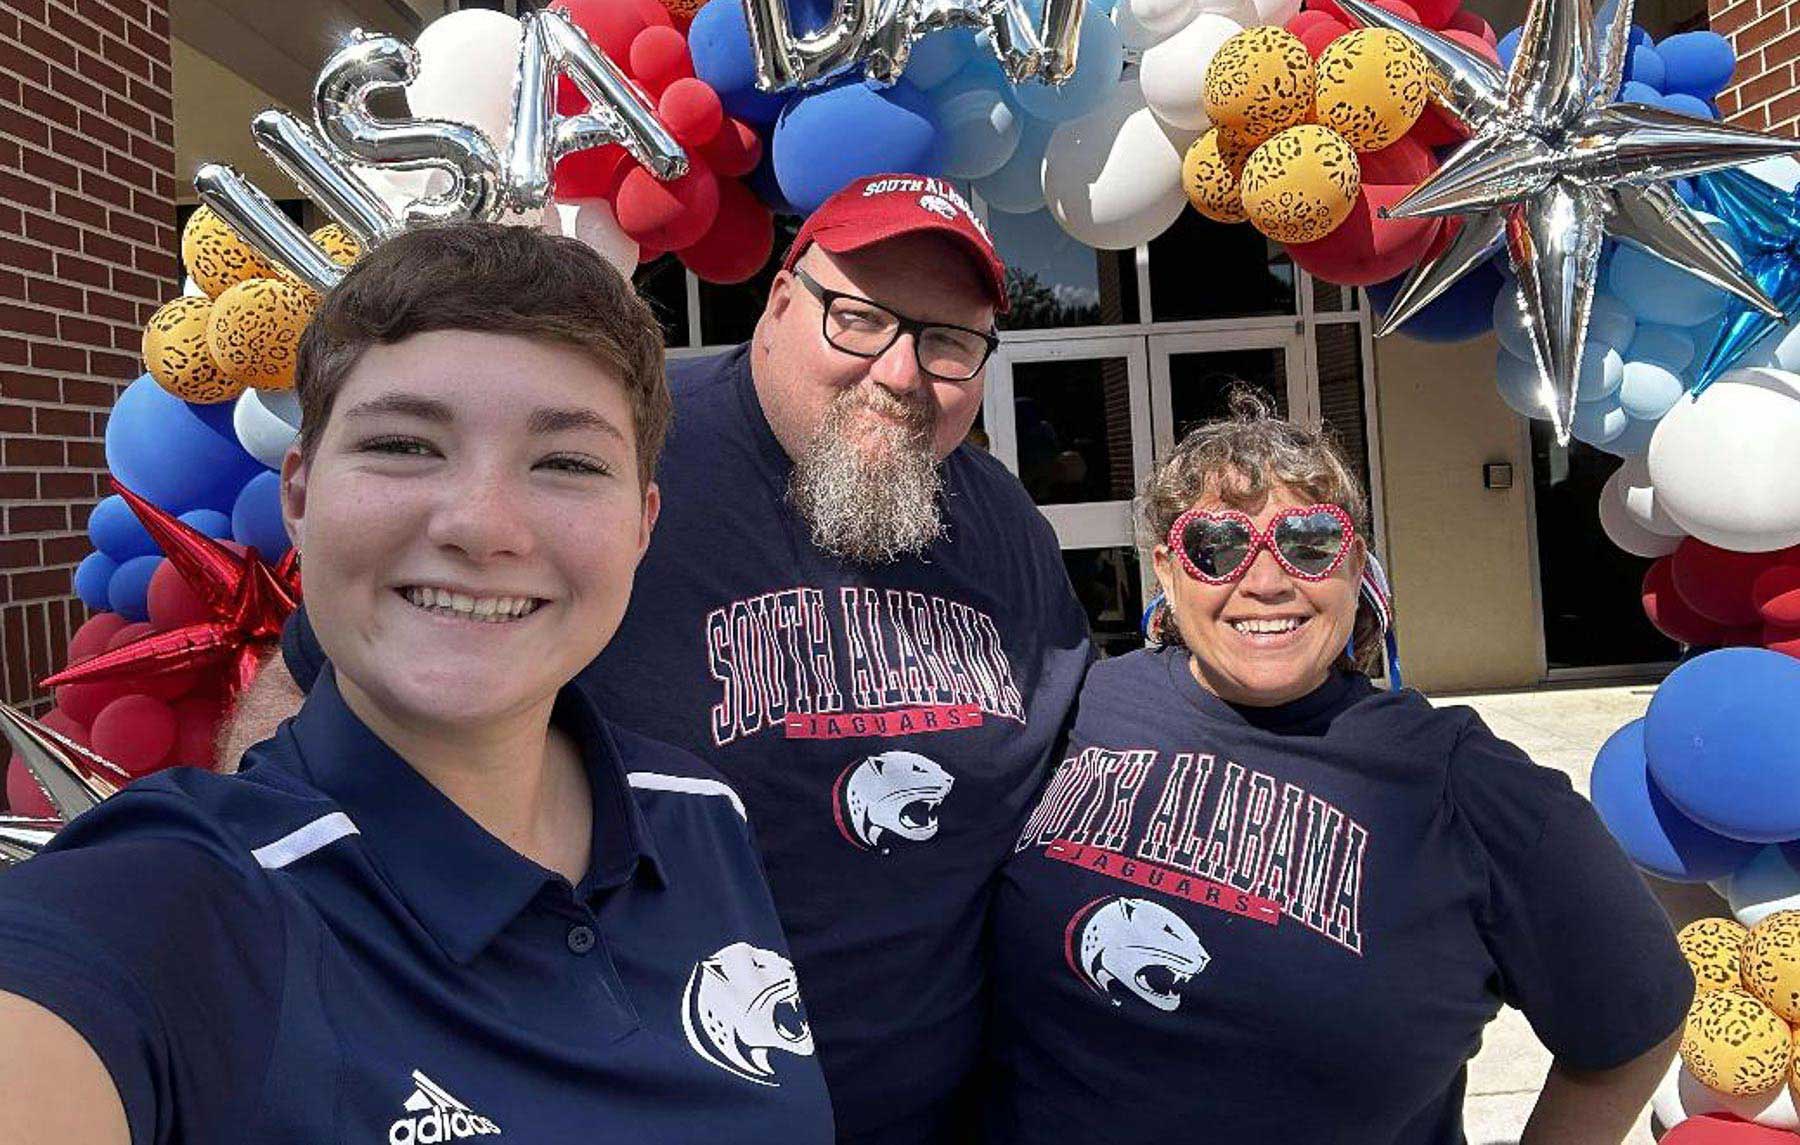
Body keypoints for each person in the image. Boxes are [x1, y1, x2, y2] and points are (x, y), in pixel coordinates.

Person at [225, 174, 1094, 1144]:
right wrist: (263, 953)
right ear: (777, 303)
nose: (900, 372)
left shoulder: (1003, 528)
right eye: (858, 317)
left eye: (948, 343)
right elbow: (313, 695)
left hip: (936, 1111)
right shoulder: (613, 455)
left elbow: (1070, 778)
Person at [0, 223, 834, 1144]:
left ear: (641, 525)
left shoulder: (701, 813)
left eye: (566, 461)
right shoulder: (187, 904)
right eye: (404, 444)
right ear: (301, 495)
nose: (482, 525)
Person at [985, 390, 1691, 1144]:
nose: (1266, 581)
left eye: (1310, 541)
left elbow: (1636, 1016)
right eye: (1217, 546)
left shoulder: (1464, 782)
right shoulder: (1075, 710)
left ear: (1354, 564)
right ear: (1167, 568)